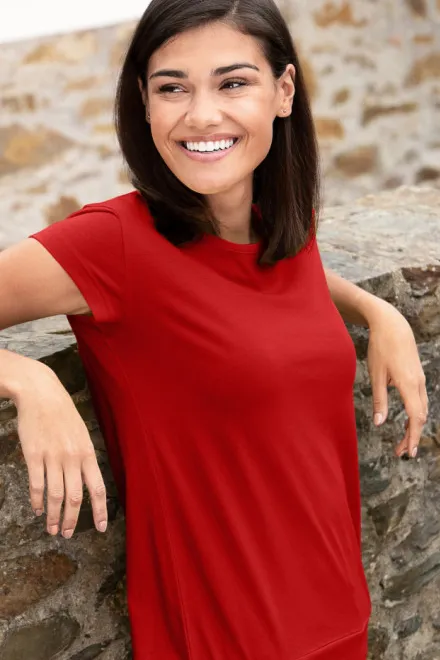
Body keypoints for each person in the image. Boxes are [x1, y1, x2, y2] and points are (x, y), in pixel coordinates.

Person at [0, 0, 428, 658]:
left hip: (341, 616)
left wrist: (377, 310)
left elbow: (259, 288)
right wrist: (27, 379)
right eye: (173, 88)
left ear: (283, 91)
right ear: (144, 102)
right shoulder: (112, 245)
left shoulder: (279, 223)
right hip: (223, 639)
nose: (202, 115)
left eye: (233, 83)